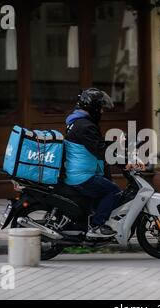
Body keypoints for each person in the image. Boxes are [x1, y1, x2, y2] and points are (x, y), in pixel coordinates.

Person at [63, 88, 133, 238]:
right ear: (92, 107)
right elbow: (101, 150)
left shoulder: (77, 122)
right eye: (100, 107)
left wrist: (118, 147)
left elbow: (97, 144)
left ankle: (92, 220)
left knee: (104, 186)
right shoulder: (85, 126)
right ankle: (97, 226)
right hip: (82, 176)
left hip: (80, 172)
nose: (102, 111)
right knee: (113, 191)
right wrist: (125, 163)